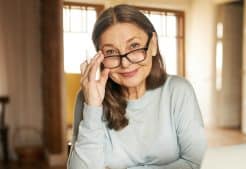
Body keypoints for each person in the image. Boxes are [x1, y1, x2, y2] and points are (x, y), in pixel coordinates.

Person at [67, 4, 207, 169]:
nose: (125, 63)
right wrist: (92, 108)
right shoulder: (88, 98)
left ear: (153, 44)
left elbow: (196, 163)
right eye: (111, 52)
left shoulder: (178, 91)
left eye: (134, 46)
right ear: (99, 57)